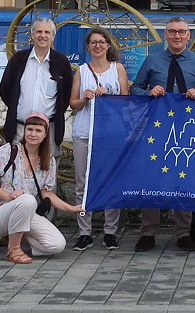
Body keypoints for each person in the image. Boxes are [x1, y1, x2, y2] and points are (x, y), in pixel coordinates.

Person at [128, 16, 195, 250]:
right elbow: (135, 89)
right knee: (152, 178)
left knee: (185, 178)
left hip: (188, 130)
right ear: (165, 35)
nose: (177, 36)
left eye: (181, 32)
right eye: (172, 32)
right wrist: (149, 91)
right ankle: (148, 232)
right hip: (156, 130)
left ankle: (183, 233)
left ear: (188, 35)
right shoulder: (152, 60)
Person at [0, 112, 82, 264]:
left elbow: (46, 192)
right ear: (24, 131)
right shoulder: (9, 150)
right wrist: (8, 196)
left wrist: (70, 208)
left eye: (38, 130)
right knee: (28, 200)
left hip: (24, 211)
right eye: (30, 129)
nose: (33, 134)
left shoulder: (48, 160)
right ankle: (13, 249)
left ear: (45, 134)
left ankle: (18, 233)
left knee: (56, 245)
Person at [68, 27, 129, 250]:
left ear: (108, 45)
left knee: (110, 180)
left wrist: (109, 96)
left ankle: (110, 231)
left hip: (111, 133)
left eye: (102, 42)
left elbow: (126, 102)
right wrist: (84, 98)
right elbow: (72, 103)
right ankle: (85, 231)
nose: (98, 46)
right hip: (85, 132)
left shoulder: (118, 69)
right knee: (82, 183)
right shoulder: (82, 71)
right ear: (88, 47)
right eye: (93, 42)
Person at [0, 17, 74, 145]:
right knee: (18, 164)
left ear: (53, 36)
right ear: (32, 35)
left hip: (49, 131)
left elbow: (66, 94)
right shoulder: (18, 59)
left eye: (47, 32)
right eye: (39, 32)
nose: (42, 36)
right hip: (20, 130)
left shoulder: (61, 62)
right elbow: (5, 89)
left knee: (47, 165)